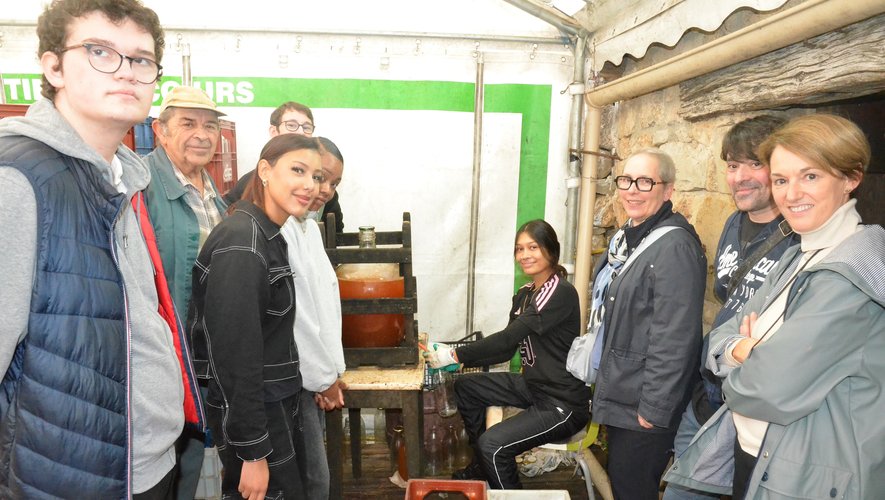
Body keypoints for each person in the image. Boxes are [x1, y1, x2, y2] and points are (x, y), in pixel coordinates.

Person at [0, 0, 203, 497]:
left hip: (143, 464)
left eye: (141, 59)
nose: (126, 72)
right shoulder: (19, 179)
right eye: (99, 51)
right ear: (52, 67)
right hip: (69, 476)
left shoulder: (121, 178)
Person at [667, 114, 884, 499]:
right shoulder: (799, 255)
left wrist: (738, 359)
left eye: (810, 176)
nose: (792, 193)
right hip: (758, 454)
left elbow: (766, 389)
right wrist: (741, 350)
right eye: (782, 180)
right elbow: (721, 334)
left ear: (851, 178)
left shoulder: (849, 273)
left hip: (806, 473)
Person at [662, 116, 797, 500]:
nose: (740, 177)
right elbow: (727, 297)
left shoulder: (797, 239)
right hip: (707, 397)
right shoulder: (733, 224)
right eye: (733, 165)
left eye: (756, 164)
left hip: (754, 409)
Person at [189, 134, 326, 499]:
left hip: (276, 404)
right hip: (259, 415)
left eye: (316, 176)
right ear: (265, 170)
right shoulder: (242, 242)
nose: (310, 185)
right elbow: (235, 359)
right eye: (298, 170)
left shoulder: (267, 235)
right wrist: (253, 452)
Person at [424, 220, 591, 490]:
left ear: (551, 250)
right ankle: (483, 466)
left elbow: (507, 338)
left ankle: (495, 468)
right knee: (466, 387)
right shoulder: (526, 294)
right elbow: (505, 348)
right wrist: (458, 360)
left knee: (493, 444)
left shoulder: (559, 291)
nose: (524, 255)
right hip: (534, 387)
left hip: (562, 403)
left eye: (533, 247)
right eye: (519, 249)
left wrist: (454, 355)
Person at [589, 148, 706, 500]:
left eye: (645, 181)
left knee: (632, 485)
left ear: (668, 190)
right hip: (624, 389)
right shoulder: (626, 238)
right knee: (624, 480)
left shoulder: (674, 247)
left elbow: (675, 336)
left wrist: (653, 409)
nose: (632, 190)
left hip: (644, 400)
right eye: (626, 180)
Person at [143, 85, 227, 500]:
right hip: (162, 354)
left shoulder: (213, 195)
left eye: (210, 125)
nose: (202, 134)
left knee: (191, 453)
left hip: (203, 353)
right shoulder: (143, 187)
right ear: (160, 130)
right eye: (188, 124)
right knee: (159, 463)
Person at [279, 136, 346, 499]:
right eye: (320, 177)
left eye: (333, 183)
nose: (324, 190)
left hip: (313, 375)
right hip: (294, 378)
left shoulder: (309, 227)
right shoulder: (284, 228)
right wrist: (324, 378)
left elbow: (325, 304)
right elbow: (299, 316)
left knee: (315, 477)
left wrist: (333, 372)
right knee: (309, 481)